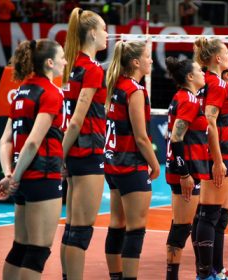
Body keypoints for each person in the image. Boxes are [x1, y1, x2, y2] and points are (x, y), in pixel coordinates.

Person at [0, 39, 66, 279]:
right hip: (42, 176)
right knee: (38, 250)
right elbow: (34, 141)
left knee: (20, 246)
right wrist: (16, 177)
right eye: (62, 57)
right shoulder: (51, 92)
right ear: (50, 63)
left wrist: (10, 175)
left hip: (23, 177)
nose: (66, 61)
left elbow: (5, 140)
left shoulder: (21, 91)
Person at [104, 40, 160, 280]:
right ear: (136, 62)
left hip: (112, 163)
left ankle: (116, 277)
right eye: (148, 57)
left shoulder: (114, 85)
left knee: (117, 224)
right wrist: (155, 164)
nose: (151, 61)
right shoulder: (134, 90)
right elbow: (141, 137)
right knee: (135, 229)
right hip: (130, 165)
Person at [60, 7, 108, 280]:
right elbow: (77, 120)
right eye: (103, 29)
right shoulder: (90, 69)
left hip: (76, 153)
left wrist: (64, 155)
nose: (107, 35)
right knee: (80, 230)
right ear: (91, 33)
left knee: (72, 228)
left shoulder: (72, 65)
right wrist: (60, 157)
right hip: (88, 152)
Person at [193, 37, 228, 280]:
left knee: (209, 214)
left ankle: (214, 270)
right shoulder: (216, 84)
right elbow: (210, 121)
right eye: (227, 54)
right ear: (217, 58)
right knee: (209, 214)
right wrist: (218, 160)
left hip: (211, 152)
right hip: (217, 153)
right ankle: (206, 273)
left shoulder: (205, 80)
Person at [164, 57, 208, 280]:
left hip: (187, 169)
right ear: (190, 77)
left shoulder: (186, 97)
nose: (204, 73)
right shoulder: (188, 100)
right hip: (184, 171)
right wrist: (185, 174)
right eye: (200, 70)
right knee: (181, 227)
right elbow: (176, 138)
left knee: (181, 225)